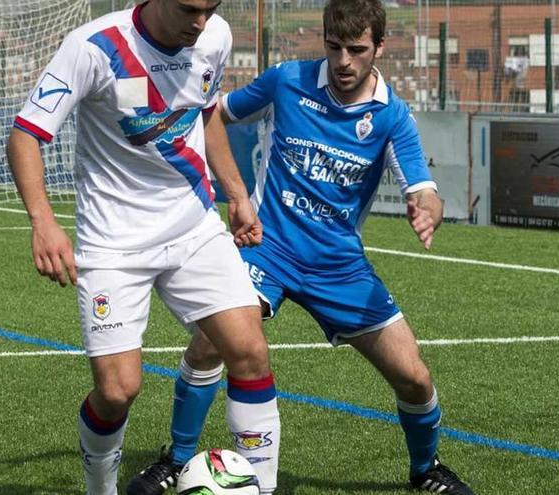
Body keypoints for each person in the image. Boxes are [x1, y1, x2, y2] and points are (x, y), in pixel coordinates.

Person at [126, 0, 476, 493]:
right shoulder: (286, 81)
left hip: (339, 267)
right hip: (267, 248)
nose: (344, 62)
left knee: (415, 378)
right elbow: (215, 115)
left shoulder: (392, 116)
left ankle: (426, 471)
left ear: (380, 46)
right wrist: (227, 188)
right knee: (211, 342)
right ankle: (176, 459)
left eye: (357, 50)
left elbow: (422, 187)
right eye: (334, 48)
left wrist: (428, 208)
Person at [5, 1, 281, 494]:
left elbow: (207, 112)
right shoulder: (92, 49)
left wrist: (236, 194)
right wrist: (43, 221)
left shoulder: (213, 37)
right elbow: (26, 134)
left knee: (249, 352)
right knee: (117, 391)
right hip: (114, 241)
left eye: (210, 9)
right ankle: (100, 489)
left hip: (193, 225)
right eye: (189, 9)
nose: (200, 23)